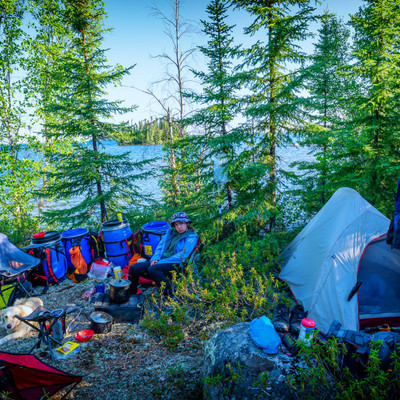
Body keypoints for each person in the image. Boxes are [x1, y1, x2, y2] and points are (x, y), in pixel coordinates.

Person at [128, 212, 198, 298]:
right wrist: (155, 258)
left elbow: (182, 256)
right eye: (176, 225)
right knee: (133, 268)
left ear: (187, 223)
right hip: (161, 261)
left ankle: (169, 296)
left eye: (181, 223)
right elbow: (160, 247)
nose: (178, 227)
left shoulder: (191, 236)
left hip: (176, 264)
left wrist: (161, 262)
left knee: (153, 269)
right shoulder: (170, 233)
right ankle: (132, 294)